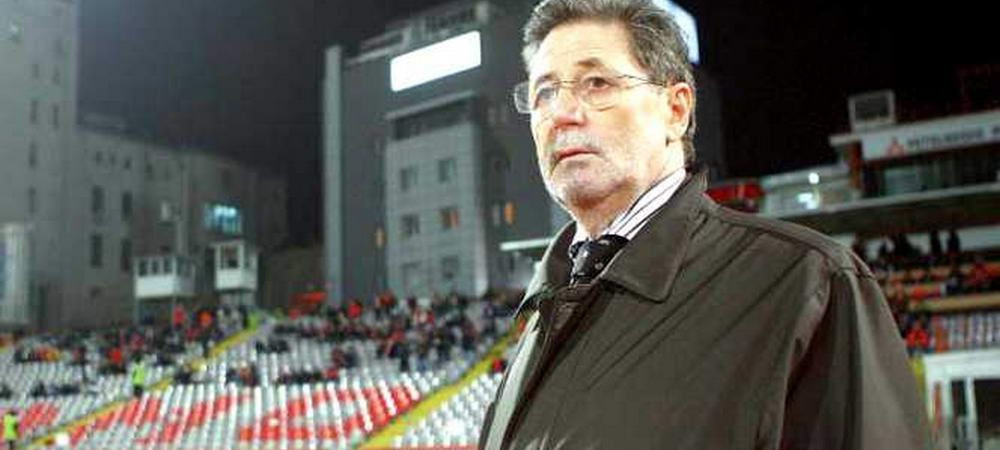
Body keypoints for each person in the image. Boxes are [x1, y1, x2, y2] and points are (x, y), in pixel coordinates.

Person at [479, 1, 929, 449]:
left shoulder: (807, 285)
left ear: (676, 109)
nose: (561, 113)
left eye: (597, 83)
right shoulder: (543, 310)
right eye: (544, 93)